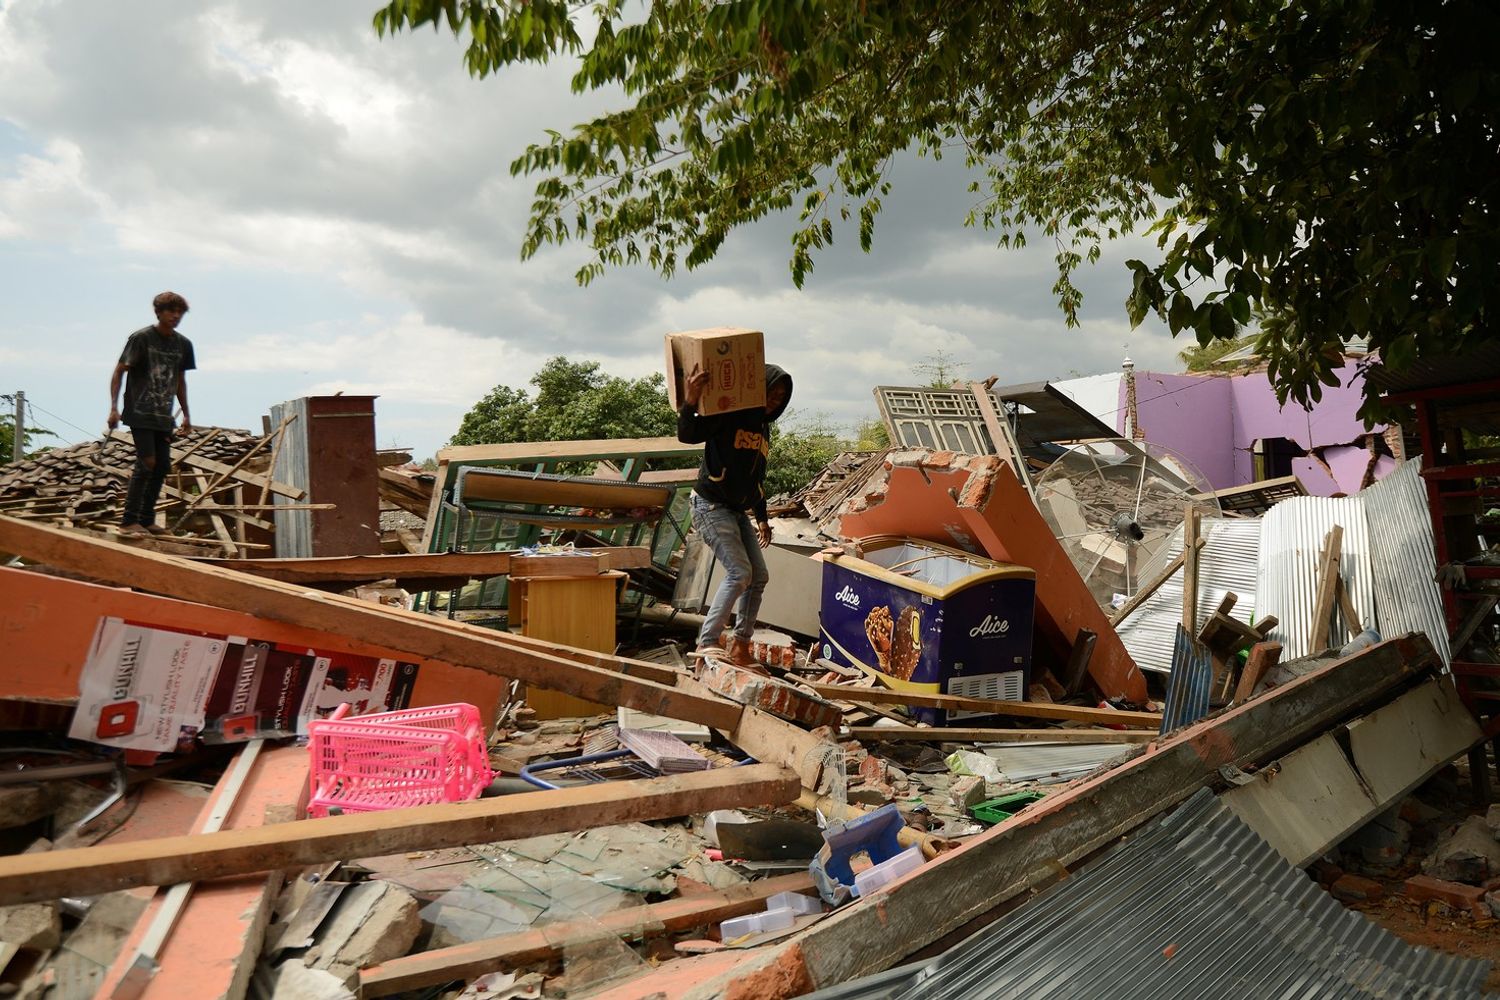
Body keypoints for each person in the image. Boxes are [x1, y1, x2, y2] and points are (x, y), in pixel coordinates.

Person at [676, 361, 793, 666]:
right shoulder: (730, 414)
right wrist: (691, 400)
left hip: (736, 510)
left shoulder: (763, 429)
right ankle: (707, 642)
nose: (775, 400)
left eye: (781, 397)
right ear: (759, 388)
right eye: (772, 392)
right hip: (710, 505)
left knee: (759, 576)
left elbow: (755, 478)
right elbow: (687, 434)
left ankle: (741, 645)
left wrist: (762, 517)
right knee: (740, 573)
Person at [108, 291, 195, 536]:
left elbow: (180, 381)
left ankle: (147, 520)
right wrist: (113, 408)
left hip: (163, 416)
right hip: (139, 411)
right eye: (171, 311)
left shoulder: (183, 345)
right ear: (158, 312)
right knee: (147, 462)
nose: (175, 316)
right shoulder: (142, 338)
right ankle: (128, 521)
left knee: (162, 465)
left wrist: (186, 414)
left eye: (179, 312)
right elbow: (119, 371)